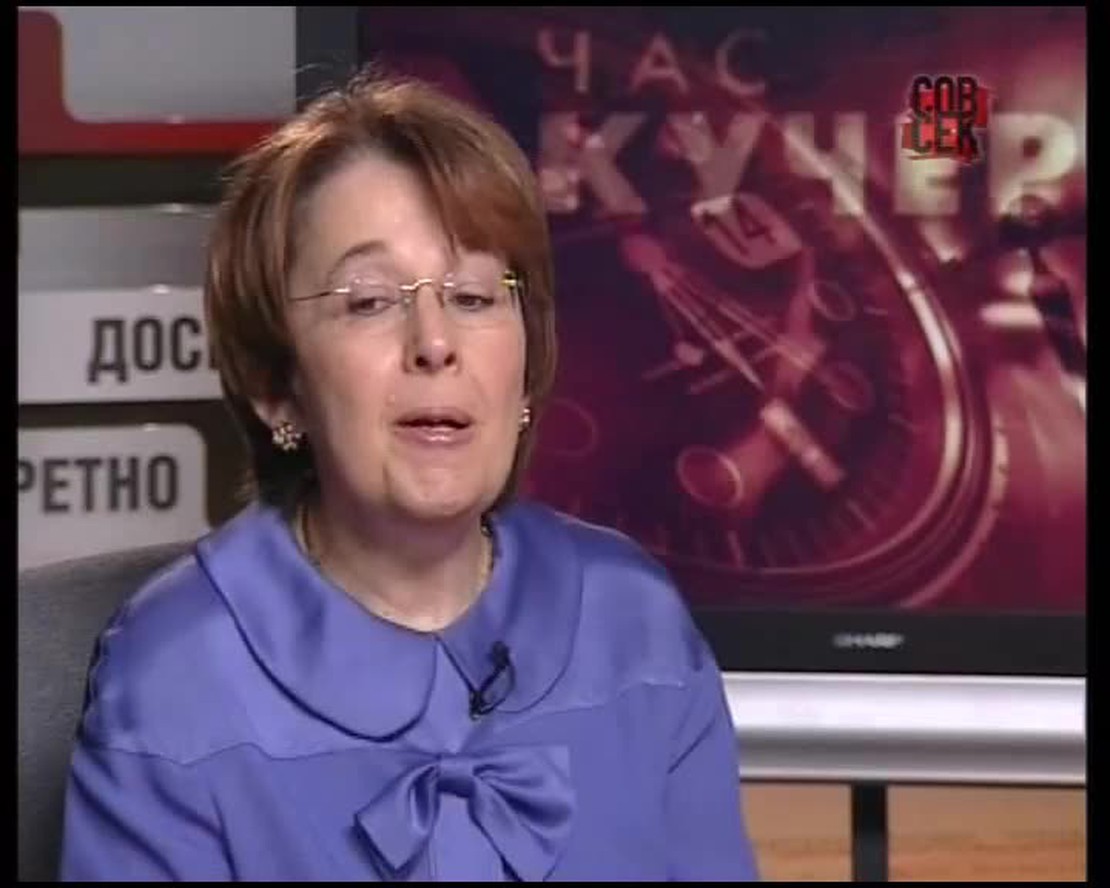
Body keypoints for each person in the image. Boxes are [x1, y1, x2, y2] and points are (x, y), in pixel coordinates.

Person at [60, 67, 760, 882]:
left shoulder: (634, 620)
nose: (434, 343)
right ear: (276, 384)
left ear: (525, 368)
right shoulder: (176, 675)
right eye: (368, 300)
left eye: (474, 296)